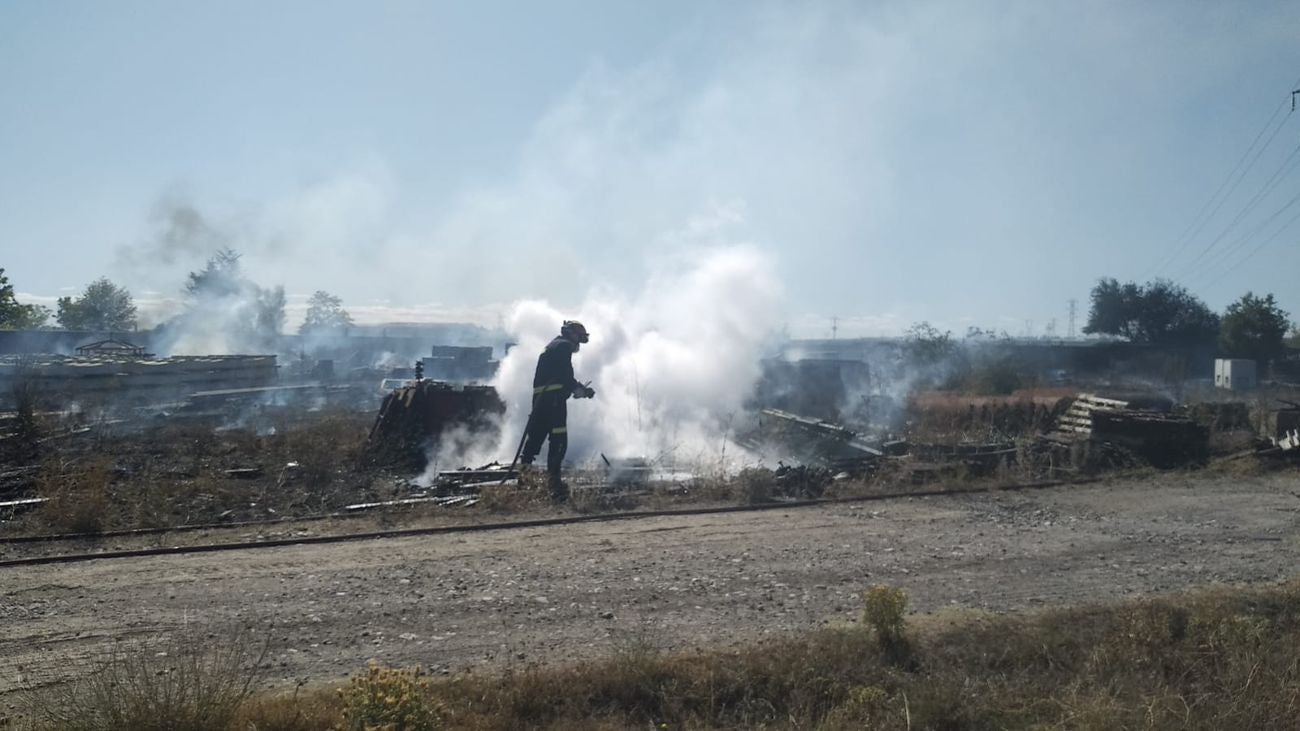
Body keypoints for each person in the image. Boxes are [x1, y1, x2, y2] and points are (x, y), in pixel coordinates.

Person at [521, 320, 595, 501]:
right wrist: (581, 390)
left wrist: (574, 389)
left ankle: (523, 480)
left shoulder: (553, 346)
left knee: (535, 439)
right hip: (553, 401)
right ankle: (554, 484)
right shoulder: (563, 347)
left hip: (541, 400)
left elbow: (559, 376)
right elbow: (565, 376)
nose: (578, 343)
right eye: (578, 338)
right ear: (572, 335)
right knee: (559, 440)